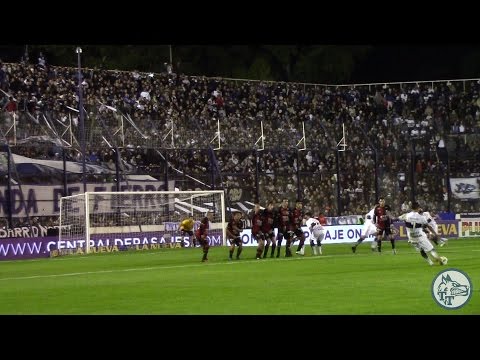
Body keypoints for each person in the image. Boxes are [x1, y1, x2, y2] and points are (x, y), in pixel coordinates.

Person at [398, 201, 447, 266]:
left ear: (411, 208)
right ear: (418, 208)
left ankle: (430, 262)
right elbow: (428, 226)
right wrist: (435, 234)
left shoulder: (407, 215)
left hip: (411, 237)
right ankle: (440, 260)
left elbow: (399, 217)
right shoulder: (421, 217)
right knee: (431, 250)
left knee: (421, 250)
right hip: (420, 236)